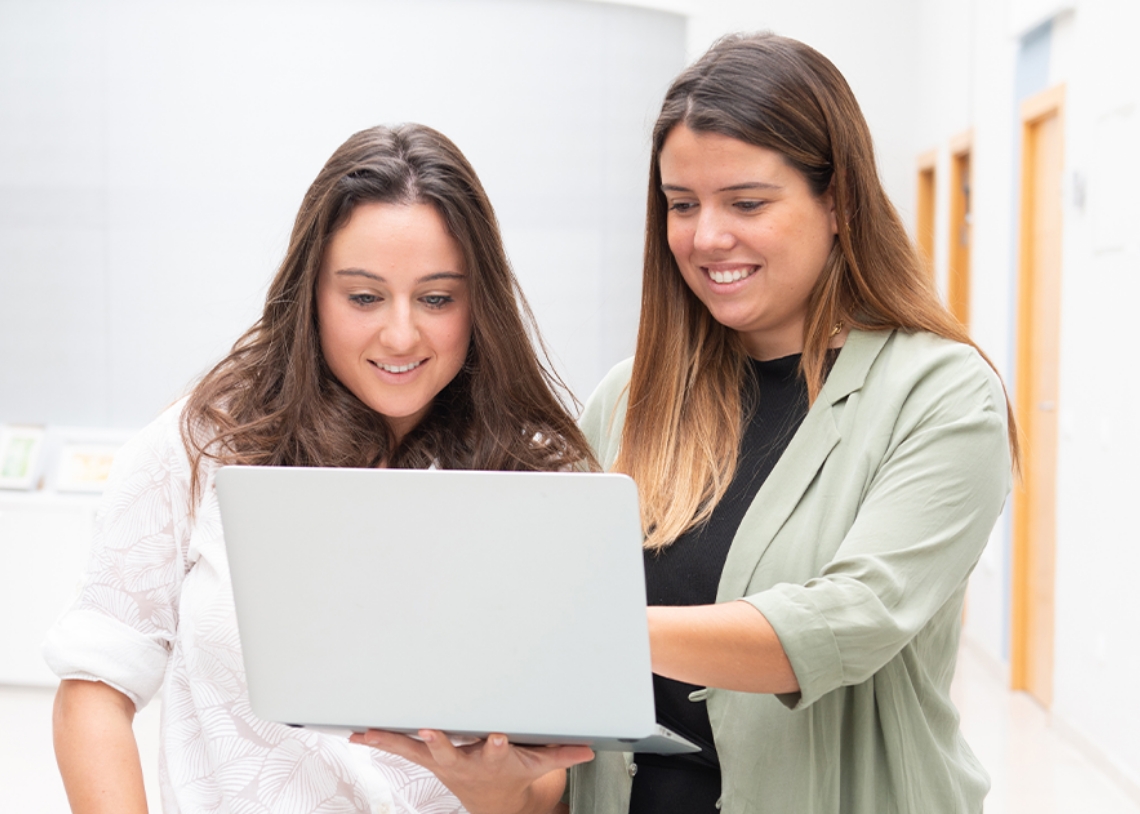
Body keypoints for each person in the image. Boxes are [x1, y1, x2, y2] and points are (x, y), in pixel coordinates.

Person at [357, 33, 1016, 814]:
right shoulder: (631, 400)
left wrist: (585, 627)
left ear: (836, 200)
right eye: (681, 205)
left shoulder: (940, 396)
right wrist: (495, 783)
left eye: (746, 202)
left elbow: (849, 621)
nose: (707, 237)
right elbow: (567, 754)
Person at [43, 123, 597, 814]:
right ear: (311, 294)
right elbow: (96, 684)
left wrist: (498, 789)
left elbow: (550, 780)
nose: (400, 335)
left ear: (479, 302)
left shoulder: (542, 477)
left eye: (436, 298)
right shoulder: (205, 442)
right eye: (363, 297)